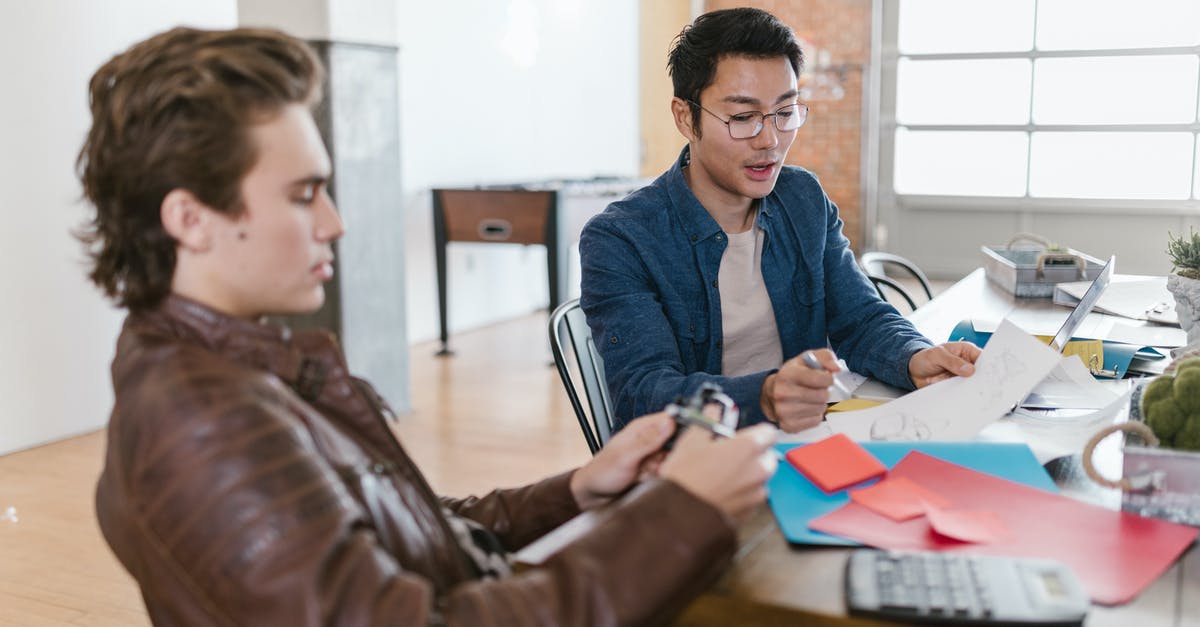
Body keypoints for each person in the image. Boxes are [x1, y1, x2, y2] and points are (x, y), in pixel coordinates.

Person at [77, 26, 780, 626]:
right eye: (303, 196)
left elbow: (404, 524)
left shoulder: (238, 374)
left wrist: (578, 490)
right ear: (190, 220)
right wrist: (681, 510)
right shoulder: (203, 423)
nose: (335, 222)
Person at [579, 8, 980, 434]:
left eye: (784, 112)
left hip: (803, 440)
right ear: (684, 117)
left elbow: (859, 318)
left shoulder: (802, 199)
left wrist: (916, 356)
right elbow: (645, 394)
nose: (770, 140)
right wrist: (767, 395)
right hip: (697, 464)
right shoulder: (622, 239)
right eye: (742, 117)